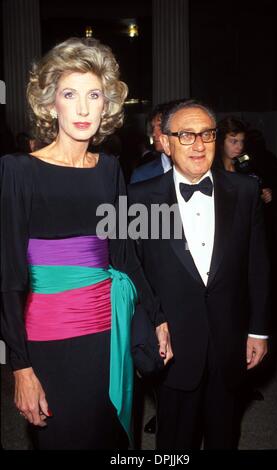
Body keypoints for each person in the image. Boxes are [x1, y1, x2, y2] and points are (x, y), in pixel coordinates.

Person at [0, 37, 164, 450]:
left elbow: (125, 254)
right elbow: (8, 277)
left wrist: (157, 316)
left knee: (107, 434)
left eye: (94, 95)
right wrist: (20, 367)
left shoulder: (109, 168)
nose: (84, 108)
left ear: (107, 105)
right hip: (48, 337)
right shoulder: (18, 170)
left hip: (108, 330)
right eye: (70, 94)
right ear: (50, 103)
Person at [128, 99, 270, 449]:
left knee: (224, 435)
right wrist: (145, 329)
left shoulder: (245, 190)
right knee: (176, 441)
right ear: (165, 141)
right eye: (186, 135)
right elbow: (133, 270)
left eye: (206, 134)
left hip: (230, 340)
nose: (198, 144)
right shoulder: (137, 199)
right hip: (173, 346)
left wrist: (259, 331)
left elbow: (259, 266)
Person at [216, 116, 273, 206]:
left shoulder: (244, 161)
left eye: (241, 141)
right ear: (221, 141)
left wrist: (263, 192)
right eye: (234, 141)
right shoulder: (212, 169)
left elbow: (258, 183)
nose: (240, 147)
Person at [130, 103, 172, 183]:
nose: (153, 133)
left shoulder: (198, 167)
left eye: (160, 127)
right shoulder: (142, 175)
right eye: (153, 128)